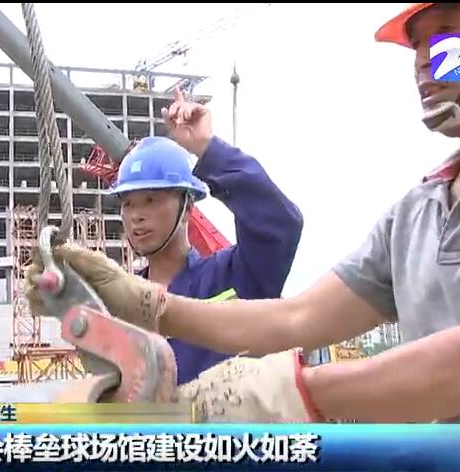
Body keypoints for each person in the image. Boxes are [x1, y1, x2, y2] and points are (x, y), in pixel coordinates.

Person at [28, 3, 460, 470]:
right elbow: (296, 319)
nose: (423, 61)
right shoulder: (417, 213)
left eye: (445, 36)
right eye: (416, 46)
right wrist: (145, 304)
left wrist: (286, 393)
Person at [75, 87, 304, 385]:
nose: (136, 215)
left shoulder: (233, 278)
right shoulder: (121, 302)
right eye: (128, 203)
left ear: (187, 207)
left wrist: (207, 147)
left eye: (151, 200)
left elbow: (279, 224)